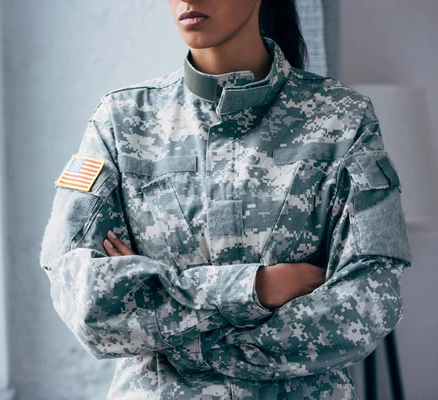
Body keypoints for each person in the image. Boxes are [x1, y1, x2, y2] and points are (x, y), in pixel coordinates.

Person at [39, 0, 412, 398]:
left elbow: (368, 304)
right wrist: (257, 288)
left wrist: (170, 330)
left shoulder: (343, 118)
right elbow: (85, 301)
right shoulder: (120, 122)